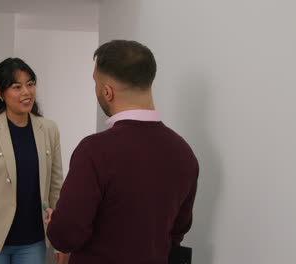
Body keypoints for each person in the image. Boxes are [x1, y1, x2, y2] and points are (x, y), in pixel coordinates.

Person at [46, 40, 199, 264]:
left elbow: (67, 234)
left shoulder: (94, 151)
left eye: (95, 83)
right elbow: (177, 231)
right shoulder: (184, 152)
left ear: (107, 92)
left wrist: (55, 223)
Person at [0, 58, 69, 264]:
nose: (26, 92)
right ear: (0, 93)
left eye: (30, 84)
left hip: (33, 240)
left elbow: (57, 188)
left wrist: (60, 241)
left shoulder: (49, 129)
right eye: (16, 87)